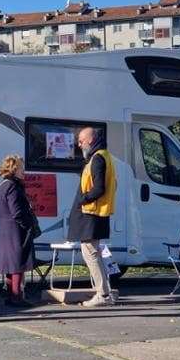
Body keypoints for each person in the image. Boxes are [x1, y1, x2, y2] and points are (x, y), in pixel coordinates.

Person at [68, 127, 117, 307]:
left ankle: (102, 294)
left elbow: (99, 188)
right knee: (93, 253)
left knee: (91, 254)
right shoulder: (103, 156)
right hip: (96, 213)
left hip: (91, 213)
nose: (79, 144)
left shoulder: (97, 159)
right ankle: (105, 293)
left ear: (90, 140)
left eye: (81, 140)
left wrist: (83, 198)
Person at [0, 155, 36, 307]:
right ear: (14, 169)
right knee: (18, 263)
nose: (23, 171)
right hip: (15, 228)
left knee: (10, 263)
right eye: (21, 168)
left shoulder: (2, 185)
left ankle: (11, 295)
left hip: (5, 227)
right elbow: (16, 210)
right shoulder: (13, 186)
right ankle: (17, 296)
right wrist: (27, 224)